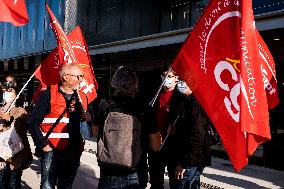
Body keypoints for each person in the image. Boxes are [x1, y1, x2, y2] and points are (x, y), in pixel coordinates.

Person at [28, 63, 91, 189]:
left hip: (73, 151)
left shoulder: (81, 97)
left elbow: (84, 128)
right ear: (65, 77)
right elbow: (32, 122)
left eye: (81, 76)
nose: (81, 79)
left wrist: (87, 119)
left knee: (66, 186)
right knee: (47, 186)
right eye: (78, 76)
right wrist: (43, 145)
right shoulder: (48, 94)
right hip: (52, 150)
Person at [92, 66, 148, 189]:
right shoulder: (143, 107)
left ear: (114, 84)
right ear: (135, 84)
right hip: (136, 170)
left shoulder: (105, 104)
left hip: (109, 169)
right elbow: (155, 144)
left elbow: (95, 132)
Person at [167, 81, 211, 189]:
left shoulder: (195, 104)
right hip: (186, 159)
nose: (181, 84)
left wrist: (183, 164)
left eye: (185, 81)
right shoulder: (185, 101)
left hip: (189, 162)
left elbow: (196, 137)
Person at [147, 67, 179, 189]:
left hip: (172, 146)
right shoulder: (155, 94)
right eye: (164, 75)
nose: (166, 78)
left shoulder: (180, 97)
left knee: (174, 182)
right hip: (156, 145)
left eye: (169, 76)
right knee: (155, 181)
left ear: (176, 78)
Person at [0, 87, 32, 189]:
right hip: (2, 155)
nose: (6, 93)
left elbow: (21, 128)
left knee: (13, 183)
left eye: (10, 90)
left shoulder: (20, 110)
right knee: (2, 183)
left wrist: (9, 119)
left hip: (16, 154)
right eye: (5, 91)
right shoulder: (0, 110)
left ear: (16, 95)